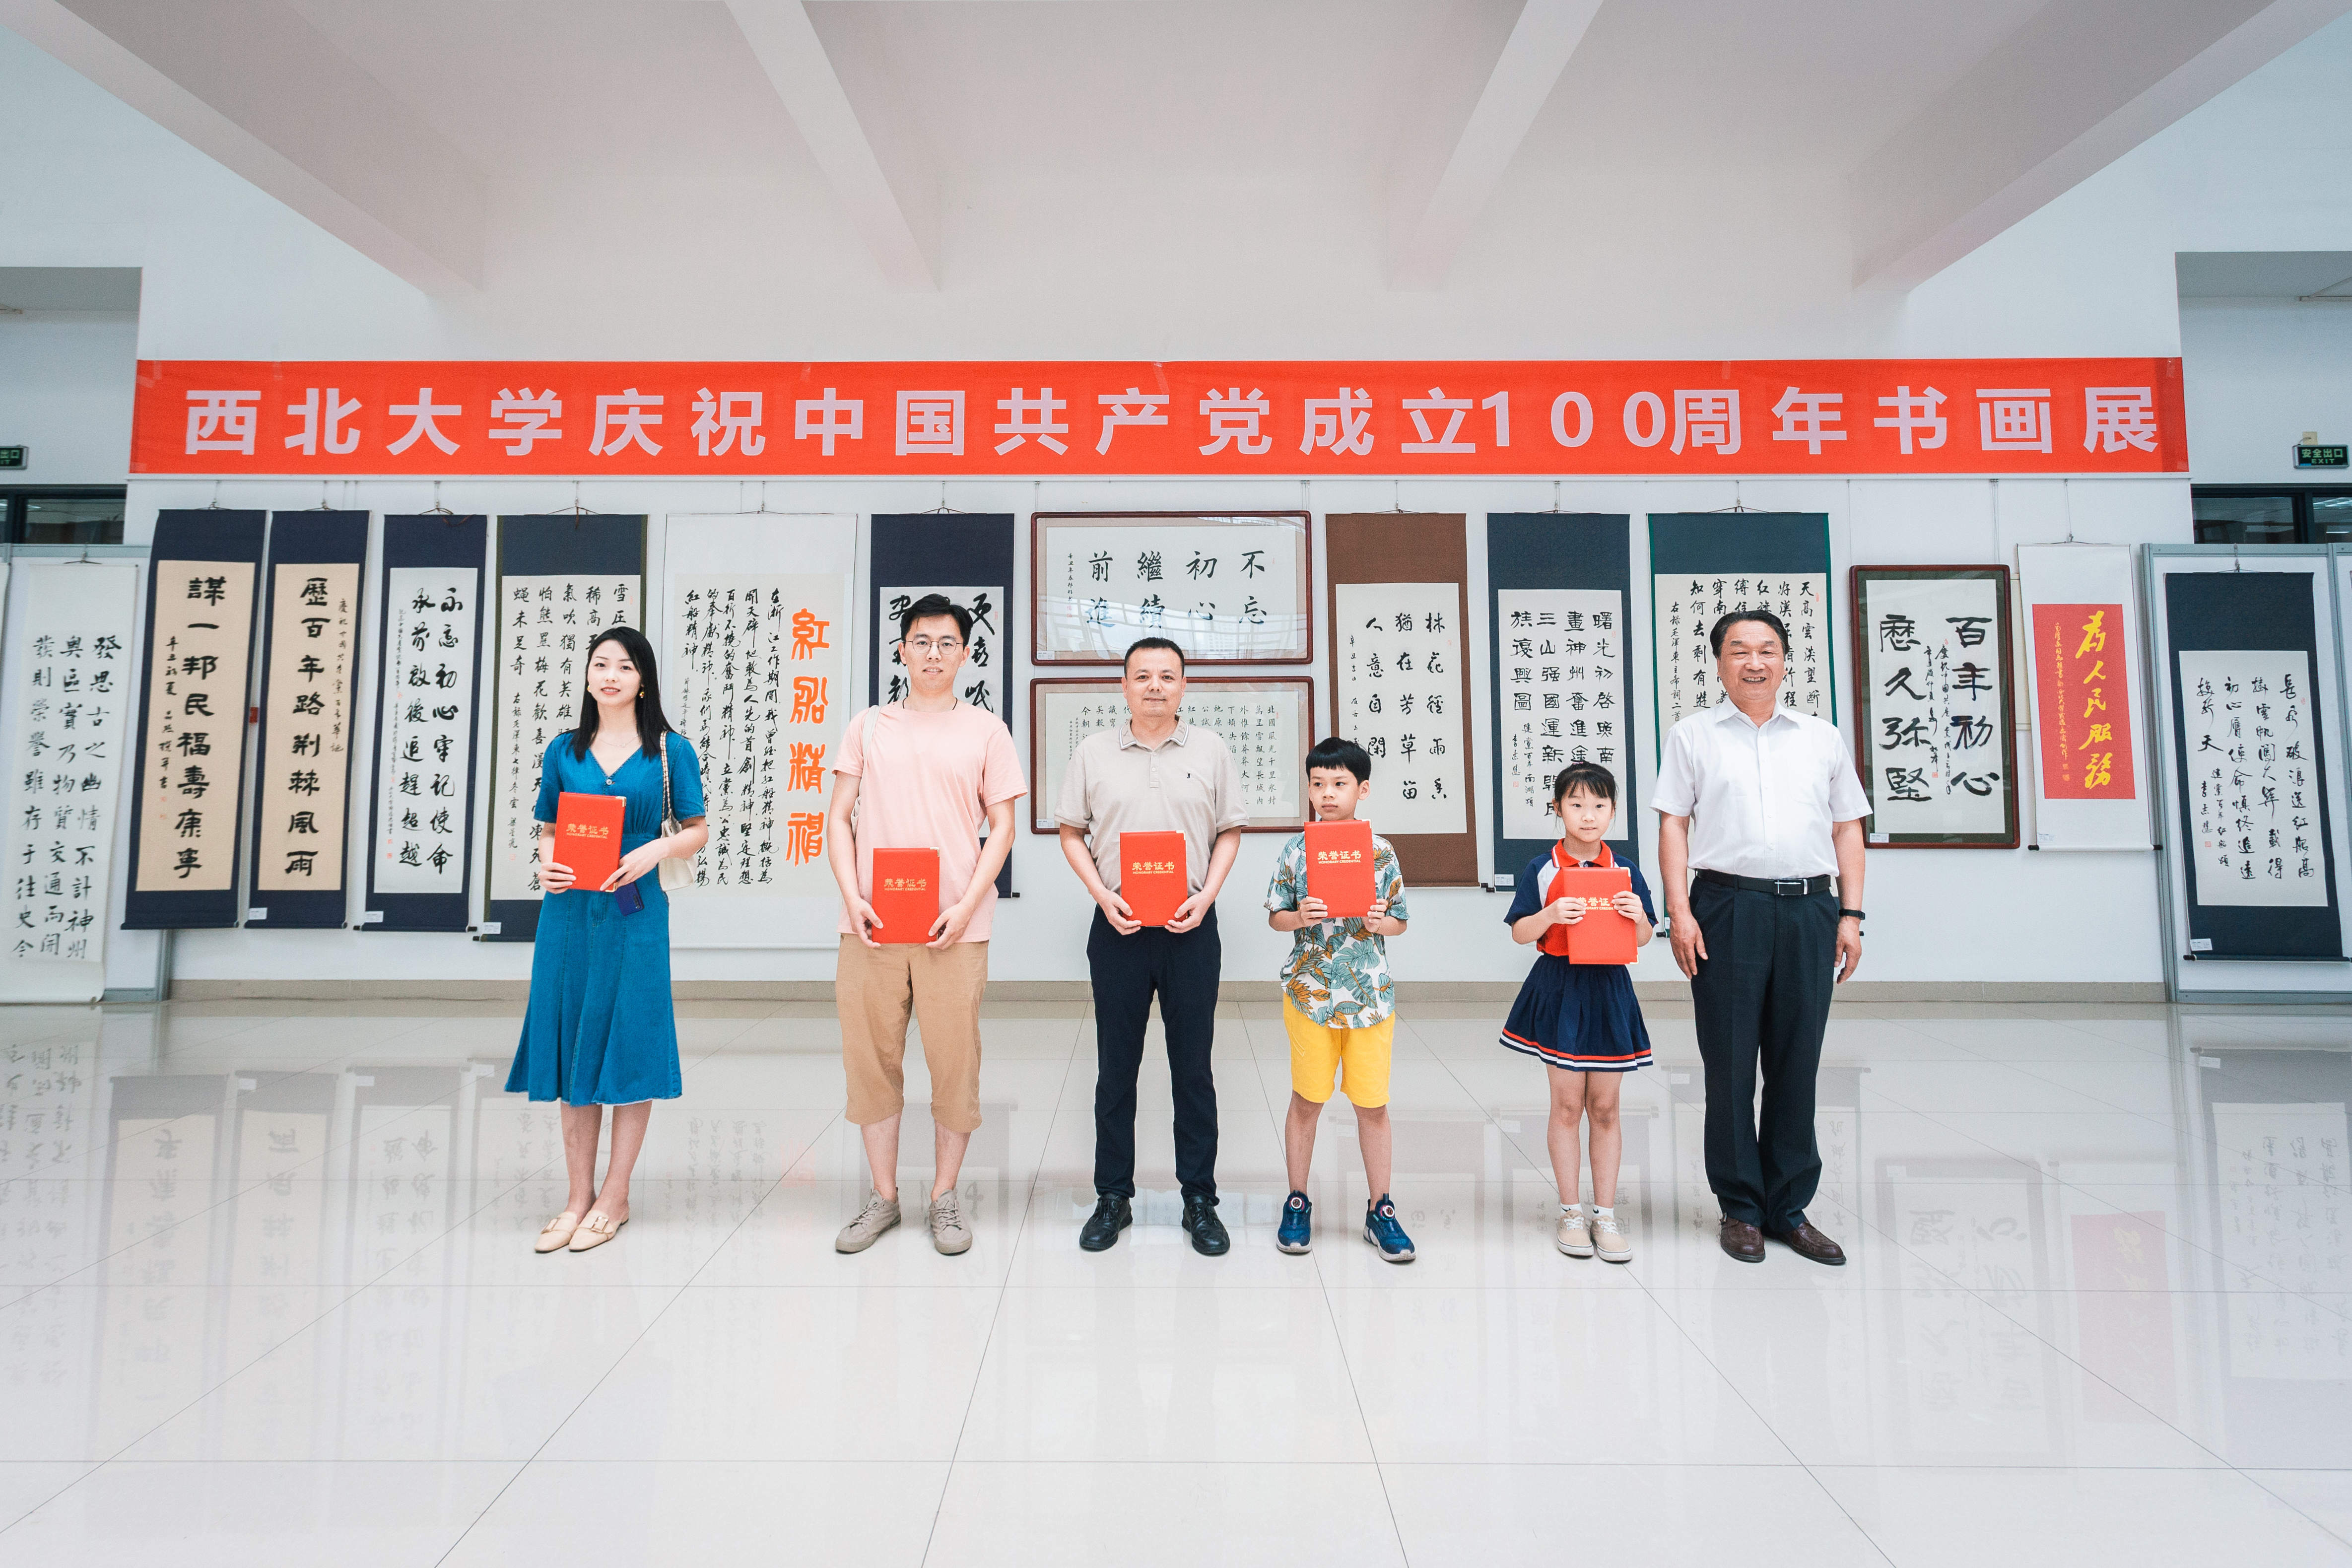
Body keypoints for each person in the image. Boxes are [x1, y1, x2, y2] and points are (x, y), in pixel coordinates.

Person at [1654, 610, 1869, 1266]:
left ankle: (1788, 1208)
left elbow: (1846, 827)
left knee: (1796, 1060)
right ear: (1718, 663)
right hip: (1726, 906)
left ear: (1783, 661)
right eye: (1739, 650)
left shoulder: (1820, 738)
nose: (1754, 661)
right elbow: (1672, 825)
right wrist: (1679, 911)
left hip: (1809, 909)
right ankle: (1740, 1207)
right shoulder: (1692, 736)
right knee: (1727, 1063)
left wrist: (1851, 914)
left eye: (1767, 649)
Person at [825, 593, 1024, 1256]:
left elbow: (1002, 826)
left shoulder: (986, 731)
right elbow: (838, 817)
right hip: (872, 925)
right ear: (901, 650)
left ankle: (944, 1195)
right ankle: (882, 1196)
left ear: (965, 654)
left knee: (954, 1061)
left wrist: (967, 903)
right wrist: (851, 895)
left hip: (953, 928)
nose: (932, 653)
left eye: (946, 643)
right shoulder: (868, 726)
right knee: (870, 1061)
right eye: (920, 641)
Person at [509, 626, 708, 1255]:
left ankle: (614, 1197)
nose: (611, 676)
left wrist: (655, 850)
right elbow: (547, 828)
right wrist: (546, 862)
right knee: (572, 1043)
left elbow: (698, 828)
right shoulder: (563, 750)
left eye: (625, 666)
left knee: (629, 1042)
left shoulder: (670, 750)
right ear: (588, 676)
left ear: (643, 680)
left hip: (635, 910)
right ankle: (577, 1198)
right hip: (569, 912)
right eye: (601, 665)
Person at [1056, 636, 1246, 1255]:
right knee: (1115, 1069)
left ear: (1184, 686)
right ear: (1123, 686)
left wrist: (1207, 896)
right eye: (1142, 676)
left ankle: (1199, 1201)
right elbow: (1070, 832)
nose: (1155, 686)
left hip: (1191, 927)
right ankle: (1113, 1196)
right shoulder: (1092, 752)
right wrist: (1101, 895)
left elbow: (1229, 831)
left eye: (1167, 676)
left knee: (1193, 1070)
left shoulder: (1211, 750)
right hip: (1119, 928)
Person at [1264, 738, 1415, 1262]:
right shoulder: (1295, 850)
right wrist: (1298, 917)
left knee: (1372, 1106)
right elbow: (1275, 916)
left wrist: (1380, 922)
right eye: (1317, 784)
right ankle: (1297, 1200)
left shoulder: (1380, 851)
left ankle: (1380, 1209)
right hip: (1310, 994)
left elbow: (1399, 921)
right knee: (1306, 1100)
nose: (1327, 793)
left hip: (1369, 998)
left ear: (1362, 789)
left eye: (1339, 783)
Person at [1500, 761, 1655, 1264]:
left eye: (1598, 805)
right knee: (1566, 1107)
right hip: (1560, 986)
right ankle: (1570, 1212)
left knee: (1605, 1108)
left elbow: (1643, 936)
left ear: (1612, 811)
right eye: (1576, 804)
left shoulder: (1626, 870)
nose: (1588, 816)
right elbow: (1519, 932)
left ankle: (1604, 1215)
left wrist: (1637, 917)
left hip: (1609, 989)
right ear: (1557, 808)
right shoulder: (1541, 868)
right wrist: (1549, 914)